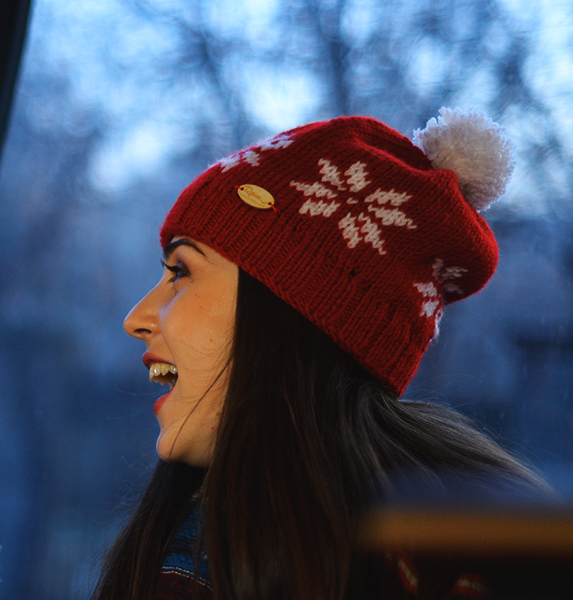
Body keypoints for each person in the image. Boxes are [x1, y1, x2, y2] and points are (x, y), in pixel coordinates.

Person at [93, 110, 550, 600]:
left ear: (289, 309)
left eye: (181, 271)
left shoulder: (216, 563)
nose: (136, 317)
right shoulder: (479, 546)